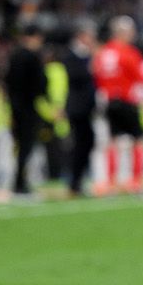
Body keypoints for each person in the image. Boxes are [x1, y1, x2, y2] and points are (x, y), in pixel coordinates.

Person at [92, 16, 143, 194]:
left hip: (109, 101)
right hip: (127, 100)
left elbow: (97, 76)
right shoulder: (129, 53)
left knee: (112, 142)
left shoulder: (102, 53)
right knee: (137, 140)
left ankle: (112, 181)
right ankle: (136, 180)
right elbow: (139, 77)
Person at [6, 24, 47, 196]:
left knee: (21, 147)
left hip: (16, 107)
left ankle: (19, 181)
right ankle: (20, 183)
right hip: (28, 108)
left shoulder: (15, 56)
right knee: (26, 146)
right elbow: (40, 83)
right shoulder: (31, 57)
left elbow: (9, 82)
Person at [62, 22, 98, 197]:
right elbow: (76, 77)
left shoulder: (85, 56)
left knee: (87, 142)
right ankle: (74, 181)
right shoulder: (71, 56)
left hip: (87, 108)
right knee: (80, 144)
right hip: (77, 108)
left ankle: (77, 181)